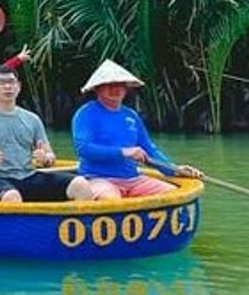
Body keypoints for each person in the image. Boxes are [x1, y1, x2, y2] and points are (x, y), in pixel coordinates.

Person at [73, 59, 203, 199]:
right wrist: (123, 152)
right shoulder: (86, 113)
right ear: (98, 88)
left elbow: (148, 149)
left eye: (120, 85)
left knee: (172, 193)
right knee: (110, 198)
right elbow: (84, 149)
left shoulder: (131, 116)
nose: (116, 89)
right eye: (109, 85)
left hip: (133, 179)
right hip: (97, 178)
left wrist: (174, 169)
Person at [0, 64, 92, 202]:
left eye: (11, 82)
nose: (8, 87)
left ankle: (74, 223)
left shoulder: (32, 119)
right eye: (2, 83)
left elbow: (50, 157)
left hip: (28, 175)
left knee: (81, 185)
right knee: (12, 196)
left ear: (18, 86)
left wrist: (45, 158)